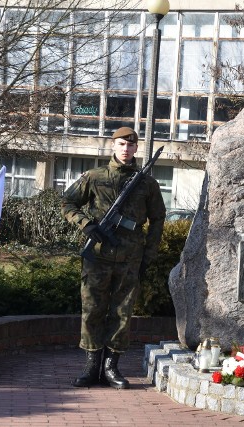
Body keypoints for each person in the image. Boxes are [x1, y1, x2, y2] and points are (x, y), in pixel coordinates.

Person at [61, 127, 166, 389]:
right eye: (121, 144)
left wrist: (148, 254)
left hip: (130, 258)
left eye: (130, 146)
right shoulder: (95, 177)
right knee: (92, 310)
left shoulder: (147, 183)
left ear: (135, 149)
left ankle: (111, 367)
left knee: (122, 313)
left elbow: (158, 220)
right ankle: (91, 365)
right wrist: (86, 224)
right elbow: (67, 203)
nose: (126, 149)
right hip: (97, 257)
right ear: (113, 146)